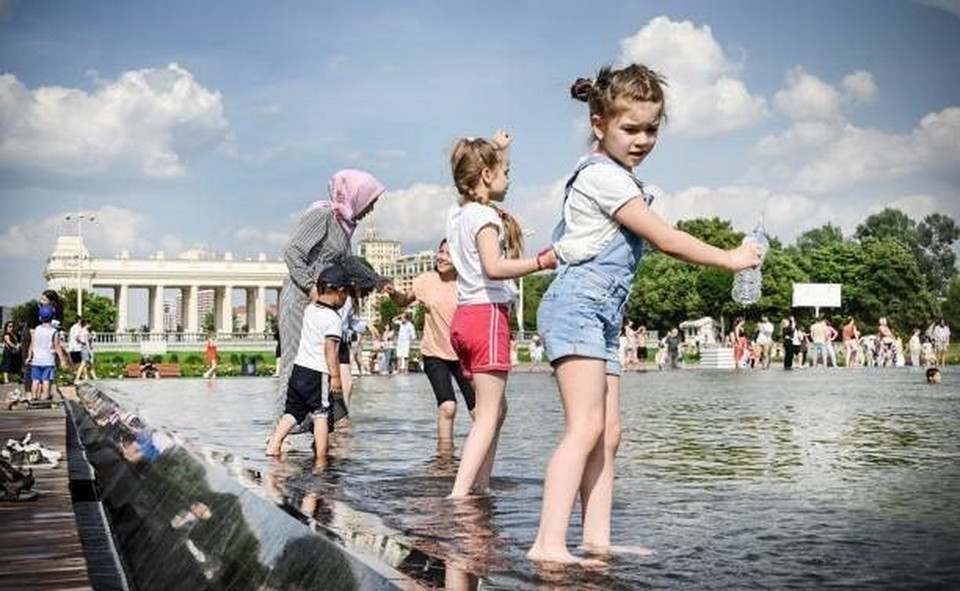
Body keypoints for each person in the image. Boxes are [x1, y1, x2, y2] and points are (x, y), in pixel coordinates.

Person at [528, 64, 761, 564]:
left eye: (651, 129)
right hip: (577, 307)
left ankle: (596, 539)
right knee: (585, 428)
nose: (641, 139)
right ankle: (547, 544)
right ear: (599, 125)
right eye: (629, 129)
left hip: (602, 316)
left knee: (610, 433)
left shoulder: (619, 178)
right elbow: (665, 238)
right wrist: (731, 258)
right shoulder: (603, 177)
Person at [445, 130, 557, 498]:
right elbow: (494, 267)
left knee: (496, 409)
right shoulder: (485, 219)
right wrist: (540, 262)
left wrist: (499, 151)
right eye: (505, 172)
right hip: (487, 315)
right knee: (489, 414)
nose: (509, 180)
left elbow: (474, 186)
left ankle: (481, 484)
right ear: (487, 176)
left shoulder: (457, 214)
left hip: (463, 319)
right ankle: (461, 494)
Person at [276, 169, 387, 418]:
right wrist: (310, 286)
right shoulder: (323, 214)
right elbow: (293, 251)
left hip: (320, 306)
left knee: (320, 366)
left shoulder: (344, 225)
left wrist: (377, 280)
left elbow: (347, 262)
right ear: (356, 195)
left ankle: (314, 431)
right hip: (300, 299)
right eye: (370, 201)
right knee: (295, 365)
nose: (371, 209)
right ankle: (278, 435)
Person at [386, 239, 477, 447]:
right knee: (448, 407)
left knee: (478, 411)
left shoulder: (469, 283)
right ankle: (444, 457)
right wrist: (394, 293)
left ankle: (480, 458)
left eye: (448, 253)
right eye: (440, 251)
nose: (442, 257)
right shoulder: (426, 280)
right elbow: (403, 301)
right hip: (434, 353)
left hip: (463, 356)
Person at [265, 265, 351, 467]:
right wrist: (336, 377)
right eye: (346, 294)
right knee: (321, 413)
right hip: (318, 373)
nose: (345, 300)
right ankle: (321, 457)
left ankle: (274, 445)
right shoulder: (333, 319)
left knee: (293, 412)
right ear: (339, 292)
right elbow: (330, 350)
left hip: (298, 370)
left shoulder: (310, 309)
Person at [26, 305, 69, 401]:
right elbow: (57, 347)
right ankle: (45, 397)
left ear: (40, 317)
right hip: (48, 360)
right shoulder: (54, 332)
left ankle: (34, 397)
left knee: (35, 380)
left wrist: (29, 356)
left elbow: (32, 344)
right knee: (46, 380)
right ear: (52, 317)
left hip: (36, 360)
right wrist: (62, 360)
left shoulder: (36, 329)